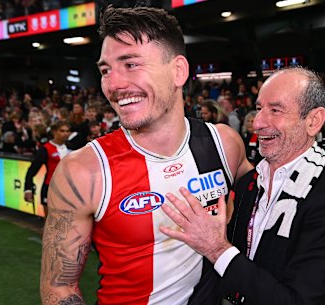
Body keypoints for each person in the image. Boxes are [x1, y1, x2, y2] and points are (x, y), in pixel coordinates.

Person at [39, 6, 252, 305]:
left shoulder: (224, 145)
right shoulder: (83, 171)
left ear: (178, 71)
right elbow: (59, 288)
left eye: (130, 64)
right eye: (105, 70)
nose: (113, 85)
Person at [161, 67, 325, 305]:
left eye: (275, 110)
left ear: (313, 121)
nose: (258, 123)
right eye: (259, 109)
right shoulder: (249, 184)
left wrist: (217, 249)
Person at [24, 120, 71, 215]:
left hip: (68, 189)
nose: (65, 134)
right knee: (50, 223)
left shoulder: (71, 146)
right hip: (50, 188)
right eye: (62, 131)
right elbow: (32, 170)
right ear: (54, 132)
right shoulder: (45, 149)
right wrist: (27, 189)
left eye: (67, 131)